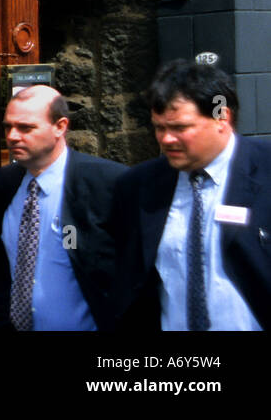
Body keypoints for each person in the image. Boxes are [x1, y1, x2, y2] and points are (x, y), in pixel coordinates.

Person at [111, 59, 271, 330]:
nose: (166, 139)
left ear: (222, 118)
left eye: (180, 128)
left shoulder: (265, 171)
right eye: (159, 127)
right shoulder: (137, 186)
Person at [0, 85, 124, 330]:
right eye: (8, 126)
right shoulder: (6, 182)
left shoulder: (106, 184)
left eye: (26, 127)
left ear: (60, 127)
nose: (13, 136)